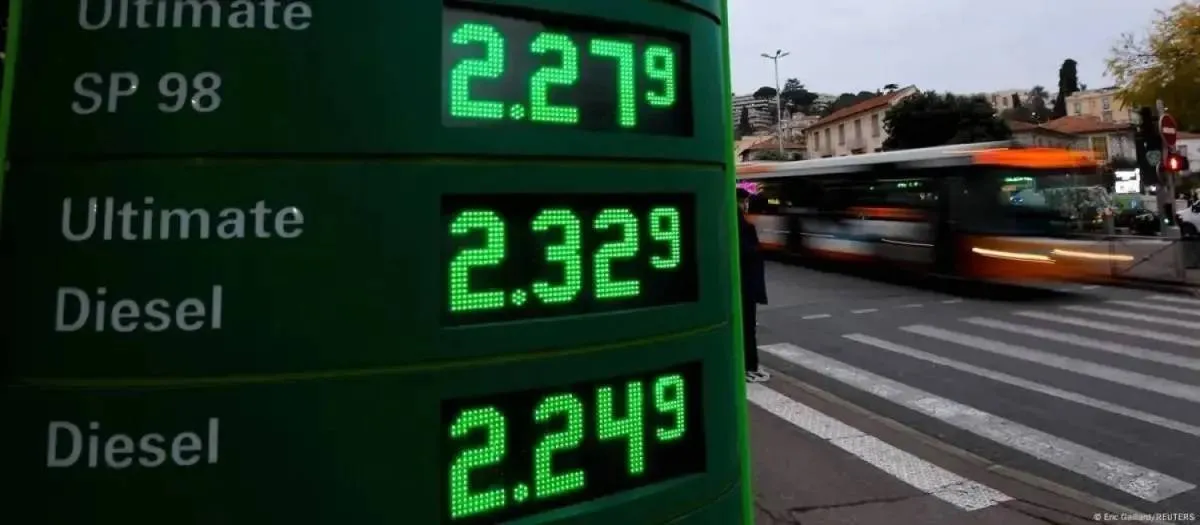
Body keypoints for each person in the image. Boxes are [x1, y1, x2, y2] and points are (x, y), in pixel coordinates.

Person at [737, 188, 770, 383]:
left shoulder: (737, 222)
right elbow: (748, 254)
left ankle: (749, 365)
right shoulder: (742, 225)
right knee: (747, 327)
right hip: (745, 285)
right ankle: (749, 367)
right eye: (744, 201)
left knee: (746, 327)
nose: (745, 205)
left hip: (743, 284)